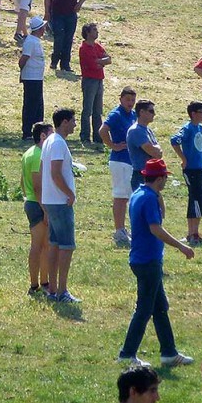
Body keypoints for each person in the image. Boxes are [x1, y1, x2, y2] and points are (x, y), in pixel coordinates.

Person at [118, 158, 195, 367]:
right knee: (144, 309)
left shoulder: (139, 194)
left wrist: (159, 196)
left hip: (141, 259)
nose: (166, 182)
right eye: (165, 178)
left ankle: (169, 353)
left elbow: (160, 216)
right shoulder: (149, 198)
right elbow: (156, 227)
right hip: (148, 260)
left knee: (160, 307)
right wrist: (181, 246)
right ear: (160, 178)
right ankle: (127, 354)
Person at [40, 108, 80, 303]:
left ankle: (54, 289)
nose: (74, 124)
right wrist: (69, 193)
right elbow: (55, 173)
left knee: (54, 245)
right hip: (60, 201)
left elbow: (42, 171)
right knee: (66, 246)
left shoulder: (49, 141)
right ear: (64, 122)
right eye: (73, 121)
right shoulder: (57, 143)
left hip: (50, 200)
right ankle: (62, 291)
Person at [100, 87, 138, 248]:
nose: (130, 103)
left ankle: (124, 228)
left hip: (130, 161)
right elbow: (103, 130)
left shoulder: (133, 115)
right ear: (121, 99)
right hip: (119, 160)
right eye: (127, 99)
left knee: (127, 196)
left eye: (132, 100)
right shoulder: (116, 114)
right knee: (120, 197)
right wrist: (112, 145)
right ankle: (119, 230)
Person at [170, 101, 202, 246]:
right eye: (201, 112)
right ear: (193, 114)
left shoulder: (199, 128)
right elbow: (174, 140)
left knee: (199, 198)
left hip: (199, 167)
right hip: (191, 169)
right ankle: (192, 233)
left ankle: (194, 232)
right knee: (195, 199)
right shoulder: (187, 129)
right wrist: (183, 158)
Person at [21, 121, 52, 295]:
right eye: (50, 134)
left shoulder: (28, 153)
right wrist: (45, 210)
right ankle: (38, 284)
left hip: (32, 201)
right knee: (40, 246)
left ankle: (41, 283)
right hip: (38, 204)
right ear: (42, 136)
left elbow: (22, 182)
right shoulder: (38, 155)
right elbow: (38, 186)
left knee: (42, 245)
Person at [45, 0, 88, 73]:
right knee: (59, 37)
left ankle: (65, 64)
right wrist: (47, 12)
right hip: (57, 13)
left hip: (71, 14)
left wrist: (79, 4)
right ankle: (54, 61)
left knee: (68, 39)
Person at [79, 22, 110, 145]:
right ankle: (85, 136)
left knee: (98, 110)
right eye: (94, 30)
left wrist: (100, 61)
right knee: (87, 110)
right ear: (88, 32)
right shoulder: (84, 48)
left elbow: (108, 59)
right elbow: (93, 65)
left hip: (98, 80)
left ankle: (98, 137)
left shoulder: (97, 46)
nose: (97, 32)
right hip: (89, 80)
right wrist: (101, 62)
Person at [19, 16, 47, 141]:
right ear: (39, 29)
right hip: (31, 78)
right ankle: (27, 131)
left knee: (38, 106)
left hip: (37, 78)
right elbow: (23, 59)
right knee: (31, 105)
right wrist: (23, 73)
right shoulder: (30, 41)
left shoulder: (35, 41)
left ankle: (37, 130)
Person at [127, 99, 163, 191]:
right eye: (151, 111)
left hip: (150, 174)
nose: (154, 114)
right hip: (140, 175)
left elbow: (158, 153)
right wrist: (156, 149)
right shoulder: (136, 131)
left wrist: (156, 149)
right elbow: (154, 152)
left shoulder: (147, 130)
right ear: (142, 112)